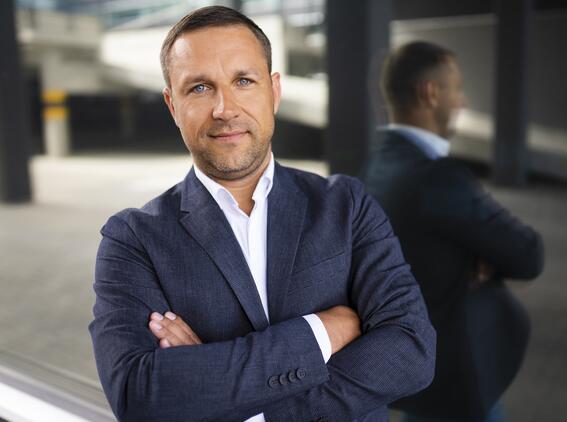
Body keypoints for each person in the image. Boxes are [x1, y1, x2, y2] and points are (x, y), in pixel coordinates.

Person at [89, 7, 436, 422]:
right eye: (199, 87)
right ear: (172, 105)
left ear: (274, 90)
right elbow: (138, 395)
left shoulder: (345, 205)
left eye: (243, 81)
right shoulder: (133, 239)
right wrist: (320, 332)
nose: (225, 108)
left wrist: (244, 407)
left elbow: (411, 350)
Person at [363, 42, 545, 421]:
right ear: (430, 93)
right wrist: (476, 260)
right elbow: (529, 255)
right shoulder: (440, 178)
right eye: (456, 88)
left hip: (415, 374)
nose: (462, 101)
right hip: (456, 381)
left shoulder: (374, 168)